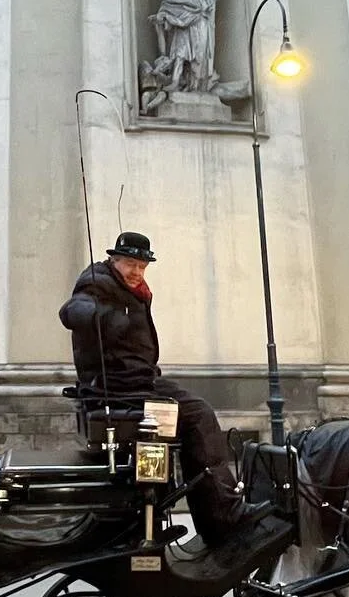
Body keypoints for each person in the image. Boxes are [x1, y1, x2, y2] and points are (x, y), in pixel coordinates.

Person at [59, 230, 273, 550]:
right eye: (130, 264)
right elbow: (71, 310)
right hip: (119, 390)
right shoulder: (97, 282)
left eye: (142, 267)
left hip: (139, 382)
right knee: (197, 416)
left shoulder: (131, 289)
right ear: (115, 260)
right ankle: (222, 515)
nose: (136, 272)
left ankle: (195, 510)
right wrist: (92, 314)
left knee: (196, 410)